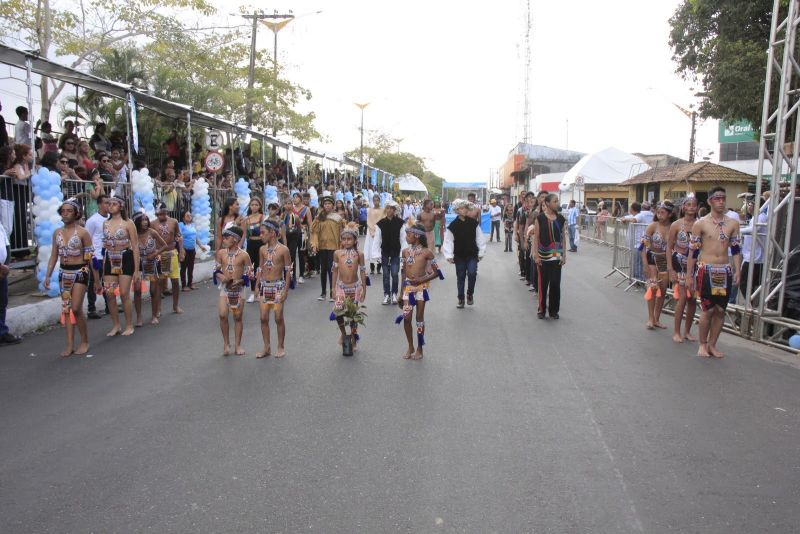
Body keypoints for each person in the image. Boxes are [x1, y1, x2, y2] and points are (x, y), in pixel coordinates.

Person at [687, 186, 742, 358]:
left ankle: (712, 344)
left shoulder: (733, 223)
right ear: (710, 201)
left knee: (720, 310)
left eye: (723, 198)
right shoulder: (700, 223)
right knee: (707, 310)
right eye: (717, 199)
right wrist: (689, 275)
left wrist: (738, 270)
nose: (721, 202)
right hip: (706, 270)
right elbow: (693, 252)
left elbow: (736, 250)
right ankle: (702, 344)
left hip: (724, 270)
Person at [44, 199, 93, 356]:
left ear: (76, 213)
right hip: (64, 274)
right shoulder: (57, 233)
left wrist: (97, 279)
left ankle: (84, 341)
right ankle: (70, 344)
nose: (65, 214)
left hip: (80, 271)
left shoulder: (83, 233)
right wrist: (48, 275)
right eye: (63, 211)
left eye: (69, 211)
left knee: (76, 308)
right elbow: (53, 256)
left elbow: (90, 257)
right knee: (66, 309)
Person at [396, 221, 442, 360]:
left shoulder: (427, 252)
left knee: (419, 318)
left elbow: (437, 272)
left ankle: (420, 348)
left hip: (421, 289)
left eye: (408, 234)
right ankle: (410, 346)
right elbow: (403, 273)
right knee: (406, 318)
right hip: (408, 289)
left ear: (416, 236)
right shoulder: (405, 252)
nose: (406, 237)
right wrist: (400, 292)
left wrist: (421, 280)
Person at [101, 194, 139, 337]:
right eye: (108, 204)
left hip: (125, 257)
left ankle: (129, 324)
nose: (110, 206)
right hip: (110, 258)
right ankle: (116, 324)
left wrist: (136, 270)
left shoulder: (129, 223)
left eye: (114, 204)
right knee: (109, 293)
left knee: (124, 293)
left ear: (121, 206)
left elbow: (135, 247)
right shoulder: (105, 223)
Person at [255, 219, 291, 359]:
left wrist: (285, 290)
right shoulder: (262, 249)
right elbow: (260, 267)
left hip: (278, 286)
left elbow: (288, 271)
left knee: (278, 317)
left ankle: (280, 346)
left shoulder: (283, 250)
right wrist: (257, 285)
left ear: (272, 233)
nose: (260, 236)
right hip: (265, 286)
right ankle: (266, 347)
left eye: (263, 233)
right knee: (263, 318)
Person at [213, 226, 252, 356]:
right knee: (223, 315)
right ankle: (226, 343)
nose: (223, 240)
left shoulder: (244, 255)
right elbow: (216, 270)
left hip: (239, 290)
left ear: (235, 239)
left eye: (226, 237)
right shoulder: (221, 253)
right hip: (225, 289)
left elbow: (250, 274)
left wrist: (240, 281)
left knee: (237, 316)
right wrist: (222, 277)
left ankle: (238, 345)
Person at [666, 196, 699, 343]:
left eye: (694, 205)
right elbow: (669, 247)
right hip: (679, 262)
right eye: (689, 205)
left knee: (692, 299)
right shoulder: (676, 225)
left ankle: (687, 331)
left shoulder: (700, 224)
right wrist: (670, 269)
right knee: (682, 297)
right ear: (684, 207)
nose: (691, 207)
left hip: (695, 265)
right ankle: (676, 332)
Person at [330, 222, 368, 351]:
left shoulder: (360, 254)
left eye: (349, 239)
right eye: (344, 239)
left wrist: (364, 289)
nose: (346, 242)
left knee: (353, 315)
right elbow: (334, 271)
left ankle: (353, 338)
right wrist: (333, 288)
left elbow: (362, 271)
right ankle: (343, 333)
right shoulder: (337, 253)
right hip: (341, 287)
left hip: (355, 287)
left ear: (355, 240)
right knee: (338, 312)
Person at [640, 200, 676, 330]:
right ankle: (650, 318)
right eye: (658, 212)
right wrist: (644, 264)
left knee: (662, 290)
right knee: (653, 287)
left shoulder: (674, 227)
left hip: (665, 260)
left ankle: (656, 318)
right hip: (652, 259)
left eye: (663, 212)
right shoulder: (652, 226)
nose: (660, 215)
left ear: (670, 214)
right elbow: (642, 247)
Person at [444, 199, 486, 308]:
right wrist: (449, 255)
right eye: (461, 208)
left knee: (472, 273)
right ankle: (461, 299)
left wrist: (481, 252)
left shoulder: (473, 223)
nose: (463, 210)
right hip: (459, 255)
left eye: (465, 208)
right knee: (461, 276)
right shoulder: (453, 225)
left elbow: (479, 237)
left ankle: (470, 294)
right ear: (457, 210)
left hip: (472, 254)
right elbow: (448, 240)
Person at [532, 194, 567, 319]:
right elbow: (536, 238)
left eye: (557, 201)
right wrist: (536, 256)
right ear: (547, 203)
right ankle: (541, 310)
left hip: (556, 257)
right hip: (543, 257)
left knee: (555, 284)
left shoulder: (561, 219)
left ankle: (553, 311)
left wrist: (564, 255)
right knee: (543, 284)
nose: (557, 203)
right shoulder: (540, 218)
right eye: (554, 201)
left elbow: (563, 238)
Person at [132, 211, 168, 326]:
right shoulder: (134, 235)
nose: (145, 222)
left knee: (153, 290)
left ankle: (154, 315)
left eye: (146, 220)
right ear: (137, 222)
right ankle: (139, 317)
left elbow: (165, 245)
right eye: (142, 220)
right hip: (138, 264)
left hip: (152, 264)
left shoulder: (152, 232)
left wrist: (155, 253)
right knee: (137, 290)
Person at [310, 195, 344, 301]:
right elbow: (314, 231)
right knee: (323, 269)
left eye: (329, 204)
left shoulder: (338, 218)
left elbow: (342, 233)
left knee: (332, 269)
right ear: (323, 205)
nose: (327, 206)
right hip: (322, 246)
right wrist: (314, 244)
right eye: (325, 204)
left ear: (333, 206)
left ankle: (332, 292)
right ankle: (323, 292)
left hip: (334, 247)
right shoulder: (319, 217)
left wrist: (341, 246)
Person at [372, 200, 405, 305]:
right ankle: (386, 295)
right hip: (385, 252)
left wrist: (404, 254)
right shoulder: (380, 224)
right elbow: (377, 240)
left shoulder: (400, 223)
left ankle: (394, 293)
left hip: (396, 252)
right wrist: (376, 254)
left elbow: (403, 239)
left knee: (395, 274)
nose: (390, 210)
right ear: (385, 209)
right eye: (388, 208)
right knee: (386, 275)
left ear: (395, 210)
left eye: (392, 208)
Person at [154, 203, 185, 314]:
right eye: (160, 213)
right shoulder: (152, 224)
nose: (162, 215)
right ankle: (158, 308)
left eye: (164, 213)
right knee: (160, 282)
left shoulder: (174, 221)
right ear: (156, 213)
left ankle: (175, 306)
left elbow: (179, 236)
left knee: (175, 280)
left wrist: (181, 250)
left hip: (171, 253)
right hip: (160, 254)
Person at [739, 195, 769, 303]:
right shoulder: (754, 217)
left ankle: (752, 305)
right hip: (750, 257)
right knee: (747, 285)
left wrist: (737, 229)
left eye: (752, 204)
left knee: (745, 284)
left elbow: (753, 229)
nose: (749, 206)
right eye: (749, 204)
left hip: (756, 258)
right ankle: (751, 305)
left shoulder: (761, 217)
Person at [85, 194, 109, 319]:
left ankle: (109, 305)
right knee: (94, 281)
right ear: (99, 204)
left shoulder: (111, 218)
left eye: (109, 203)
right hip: (96, 255)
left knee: (108, 281)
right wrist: (91, 256)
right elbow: (87, 239)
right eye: (105, 203)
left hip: (108, 255)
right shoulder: (92, 220)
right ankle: (91, 309)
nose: (108, 205)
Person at [0, 219, 21, 345]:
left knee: (2, 302)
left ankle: (2, 333)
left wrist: (5, 266)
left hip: (3, 270)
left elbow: (6, 245)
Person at [284, 193, 312, 284]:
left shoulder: (306, 209)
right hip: (292, 233)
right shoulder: (290, 209)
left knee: (302, 253)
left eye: (296, 197)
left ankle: (301, 275)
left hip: (303, 232)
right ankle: (293, 275)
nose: (295, 199)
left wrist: (310, 237)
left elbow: (310, 223)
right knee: (292, 254)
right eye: (294, 198)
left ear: (300, 198)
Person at [243, 198, 266, 302]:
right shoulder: (246, 219)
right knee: (251, 268)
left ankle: (260, 290)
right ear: (250, 206)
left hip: (261, 244)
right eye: (252, 205)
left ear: (260, 206)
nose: (254, 207)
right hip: (250, 245)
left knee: (260, 268)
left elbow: (265, 233)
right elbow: (244, 234)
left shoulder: (262, 217)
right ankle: (253, 292)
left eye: (256, 205)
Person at [179, 211, 206, 291]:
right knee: (183, 267)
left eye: (190, 215)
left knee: (191, 267)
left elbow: (195, 237)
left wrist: (201, 246)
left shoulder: (192, 225)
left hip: (192, 249)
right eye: (187, 215)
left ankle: (190, 284)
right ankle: (184, 286)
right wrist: (181, 249)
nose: (190, 216)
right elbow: (180, 237)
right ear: (183, 217)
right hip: (184, 249)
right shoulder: (180, 225)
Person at [364, 194, 384, 275]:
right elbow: (368, 221)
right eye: (374, 200)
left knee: (379, 249)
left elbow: (383, 221)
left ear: (379, 201)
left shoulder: (383, 210)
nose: (376, 202)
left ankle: (379, 268)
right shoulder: (369, 210)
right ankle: (372, 268)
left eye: (377, 200)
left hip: (380, 232)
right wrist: (372, 232)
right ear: (372, 201)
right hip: (371, 232)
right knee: (371, 249)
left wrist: (380, 232)